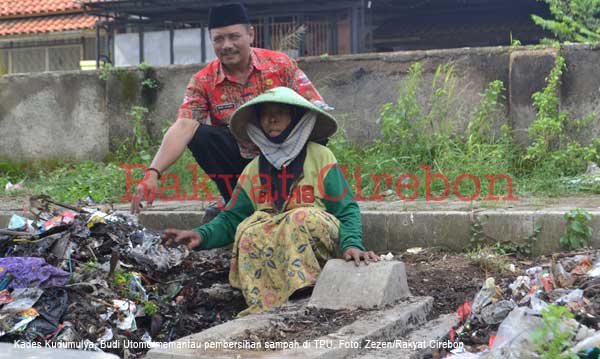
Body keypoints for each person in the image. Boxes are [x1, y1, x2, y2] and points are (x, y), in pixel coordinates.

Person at [163, 87, 379, 316]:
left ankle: (308, 291)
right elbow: (231, 218)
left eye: (280, 112)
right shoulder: (253, 168)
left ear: (295, 118)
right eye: (265, 115)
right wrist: (201, 235)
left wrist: (352, 244)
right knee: (250, 229)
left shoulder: (321, 157)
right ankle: (269, 304)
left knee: (298, 217)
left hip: (319, 243)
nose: (272, 119)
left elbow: (346, 208)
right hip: (276, 254)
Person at [130, 3, 329, 216]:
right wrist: (153, 173)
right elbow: (184, 125)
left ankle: (296, 194)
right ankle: (236, 202)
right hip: (240, 161)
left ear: (250, 34)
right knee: (200, 135)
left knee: (315, 128)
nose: (227, 45)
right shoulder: (203, 81)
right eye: (218, 39)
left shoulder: (280, 65)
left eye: (234, 37)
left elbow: (316, 106)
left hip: (288, 155)